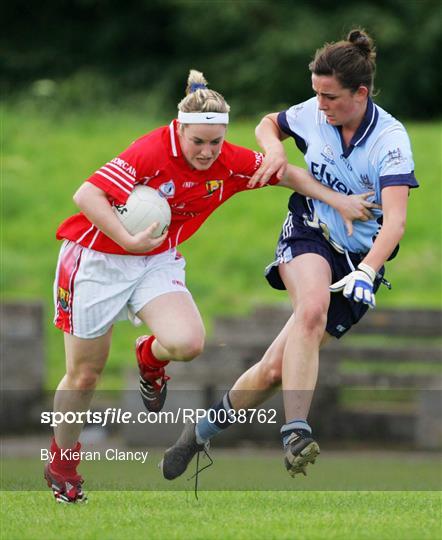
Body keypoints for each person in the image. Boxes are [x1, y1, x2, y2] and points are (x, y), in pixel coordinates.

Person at [44, 69, 374, 503]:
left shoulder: (229, 161)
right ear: (179, 130)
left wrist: (339, 201)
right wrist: (127, 238)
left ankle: (149, 355)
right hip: (95, 259)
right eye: (197, 142)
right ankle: (62, 464)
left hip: (154, 259)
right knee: (85, 374)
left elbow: (288, 173)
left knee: (188, 342)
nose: (206, 152)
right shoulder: (151, 151)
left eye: (215, 142)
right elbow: (87, 195)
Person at [160, 30, 419, 483]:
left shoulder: (390, 140)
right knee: (312, 307)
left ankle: (197, 434)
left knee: (276, 369)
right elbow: (268, 123)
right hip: (310, 231)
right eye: (316, 93)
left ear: (360, 94)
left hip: (360, 258)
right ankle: (296, 431)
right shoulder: (313, 112)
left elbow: (395, 223)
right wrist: (276, 148)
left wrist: (367, 270)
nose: (319, 104)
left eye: (330, 96)